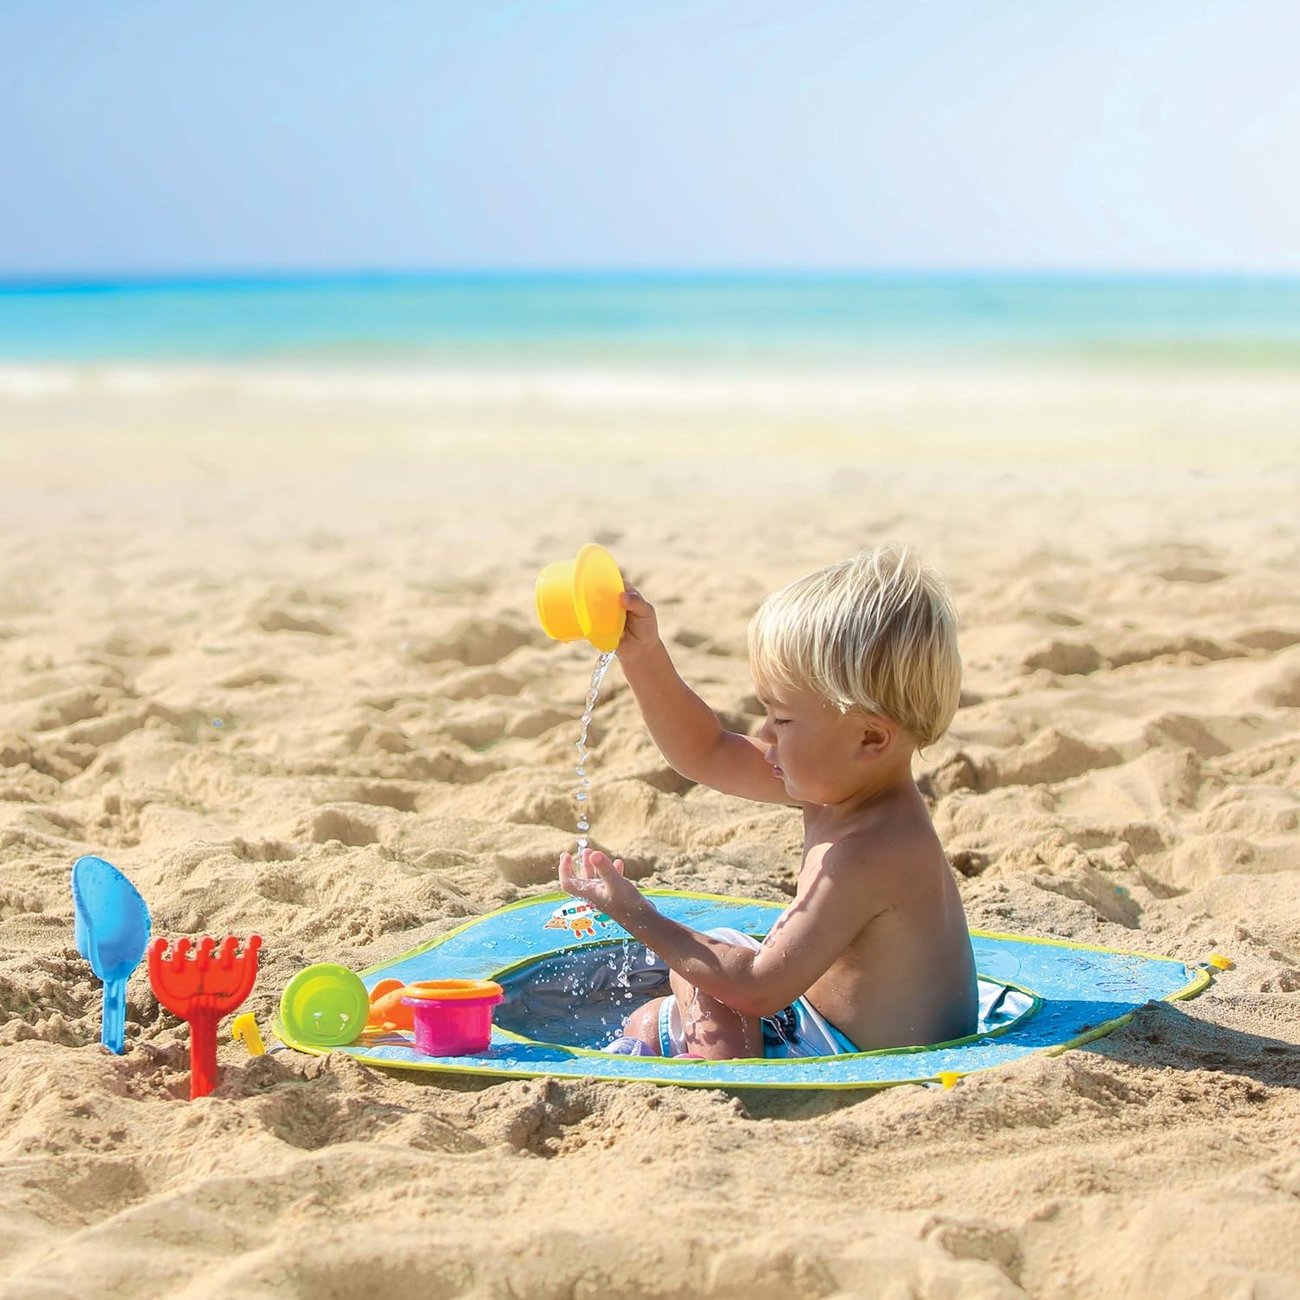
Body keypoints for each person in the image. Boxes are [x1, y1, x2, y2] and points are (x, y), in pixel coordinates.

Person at [558, 542, 979, 1060]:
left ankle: (716, 1089)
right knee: (654, 1013)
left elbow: (758, 987)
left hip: (851, 1055)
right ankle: (660, 1046)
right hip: (821, 1021)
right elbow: (707, 751)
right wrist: (643, 655)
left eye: (782, 719)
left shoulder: (868, 850)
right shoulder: (842, 783)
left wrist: (637, 914)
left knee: (709, 978)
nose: (764, 733)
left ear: (871, 738)